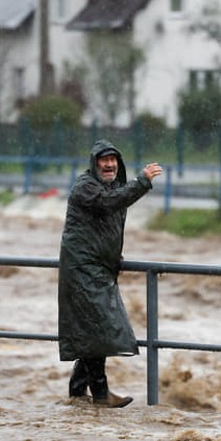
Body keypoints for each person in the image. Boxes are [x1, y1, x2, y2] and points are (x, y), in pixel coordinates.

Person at [58, 139, 163, 408]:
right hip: (83, 270)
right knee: (99, 330)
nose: (109, 165)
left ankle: (78, 392)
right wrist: (142, 182)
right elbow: (108, 204)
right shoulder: (87, 186)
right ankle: (101, 394)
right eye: (103, 160)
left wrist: (114, 259)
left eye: (113, 160)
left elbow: (106, 226)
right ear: (94, 164)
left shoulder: (111, 187)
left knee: (96, 331)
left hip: (98, 270)